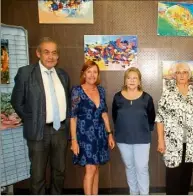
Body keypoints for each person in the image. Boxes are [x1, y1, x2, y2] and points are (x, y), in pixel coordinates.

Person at [10, 37, 70, 194]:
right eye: (46, 52)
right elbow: (17, 102)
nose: (51, 56)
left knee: (60, 172)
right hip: (38, 132)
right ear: (38, 54)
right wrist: (32, 120)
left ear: (58, 56)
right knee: (37, 175)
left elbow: (67, 102)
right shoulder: (26, 73)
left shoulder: (63, 75)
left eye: (54, 53)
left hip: (60, 131)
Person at [156, 61, 193, 195]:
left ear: (189, 75)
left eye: (185, 72)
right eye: (179, 72)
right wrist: (161, 140)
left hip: (191, 142)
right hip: (172, 142)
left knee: (186, 175)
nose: (182, 75)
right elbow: (160, 118)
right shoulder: (167, 93)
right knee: (173, 175)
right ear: (174, 75)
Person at [69, 60, 115, 195]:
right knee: (90, 169)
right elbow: (73, 117)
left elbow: (104, 113)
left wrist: (109, 134)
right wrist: (73, 140)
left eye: (95, 72)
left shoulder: (101, 90)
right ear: (84, 73)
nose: (92, 75)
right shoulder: (77, 91)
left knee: (96, 168)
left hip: (100, 134)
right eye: (89, 71)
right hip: (84, 135)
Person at [112, 67, 155, 195]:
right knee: (130, 168)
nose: (131, 80)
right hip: (123, 139)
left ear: (139, 81)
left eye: (135, 78)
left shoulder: (147, 98)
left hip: (142, 139)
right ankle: (133, 193)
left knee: (142, 168)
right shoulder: (117, 97)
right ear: (125, 81)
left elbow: (151, 118)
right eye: (129, 78)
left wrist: (144, 130)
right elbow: (115, 116)